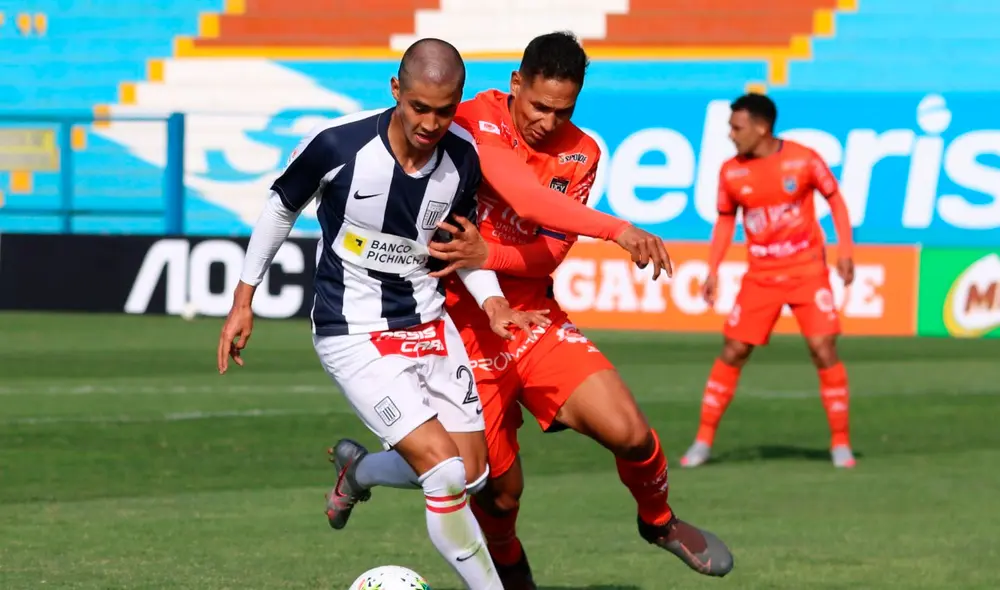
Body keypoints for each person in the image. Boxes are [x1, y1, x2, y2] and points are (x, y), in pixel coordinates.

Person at [326, 32, 734, 589]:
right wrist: (618, 229)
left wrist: (487, 252)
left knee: (631, 432)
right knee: (496, 491)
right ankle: (507, 574)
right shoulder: (471, 118)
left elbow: (552, 251)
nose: (546, 120)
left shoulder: (582, 152)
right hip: (459, 324)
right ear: (516, 84)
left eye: (561, 110)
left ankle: (659, 523)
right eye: (538, 105)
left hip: (534, 318)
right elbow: (523, 196)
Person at [217, 38, 550, 590]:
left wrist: (493, 302)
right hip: (353, 330)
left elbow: (459, 248)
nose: (431, 122)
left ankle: (360, 471)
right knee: (442, 473)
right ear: (396, 91)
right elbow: (280, 209)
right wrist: (243, 299)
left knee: (473, 472)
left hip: (427, 323)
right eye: (419, 107)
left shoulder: (464, 157)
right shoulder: (336, 145)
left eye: (445, 110)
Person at [679, 93, 857, 470]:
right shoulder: (731, 172)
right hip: (761, 276)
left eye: (736, 127)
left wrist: (845, 251)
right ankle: (703, 441)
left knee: (824, 348)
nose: (730, 134)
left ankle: (840, 442)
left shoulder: (803, 158)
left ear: (761, 127)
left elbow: (836, 200)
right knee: (734, 350)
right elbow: (726, 220)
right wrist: (712, 269)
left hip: (808, 270)